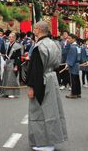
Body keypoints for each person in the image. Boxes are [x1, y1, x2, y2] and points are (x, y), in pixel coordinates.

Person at [26, 21, 68, 151]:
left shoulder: (39, 47)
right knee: (52, 111)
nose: (33, 31)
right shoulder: (54, 44)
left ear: (38, 30)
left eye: (34, 28)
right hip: (52, 78)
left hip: (42, 80)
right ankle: (52, 140)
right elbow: (57, 64)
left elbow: (36, 69)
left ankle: (43, 142)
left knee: (39, 111)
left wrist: (32, 87)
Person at [2, 32, 22, 99]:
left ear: (14, 38)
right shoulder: (8, 45)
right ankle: (6, 92)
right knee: (6, 77)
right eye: (9, 37)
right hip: (8, 62)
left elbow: (18, 57)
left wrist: (16, 66)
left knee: (11, 78)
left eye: (11, 37)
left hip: (13, 62)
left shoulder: (17, 46)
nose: (10, 38)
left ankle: (12, 93)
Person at [65, 34, 81, 99]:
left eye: (69, 38)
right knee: (77, 79)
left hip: (73, 65)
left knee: (73, 79)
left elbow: (71, 56)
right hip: (77, 64)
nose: (68, 40)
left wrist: (68, 64)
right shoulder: (78, 46)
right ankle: (78, 93)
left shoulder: (72, 47)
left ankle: (73, 93)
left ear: (74, 39)